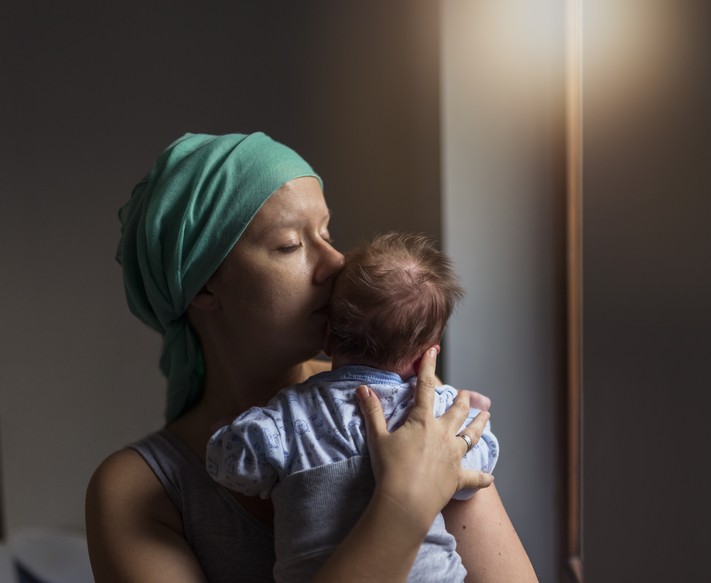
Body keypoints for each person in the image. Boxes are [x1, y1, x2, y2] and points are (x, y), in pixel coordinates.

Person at [85, 132, 538, 582]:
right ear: (203, 285)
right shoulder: (136, 492)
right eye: (290, 245)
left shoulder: (404, 400)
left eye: (327, 233)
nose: (336, 263)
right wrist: (405, 506)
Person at [206, 231, 498, 582]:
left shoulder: (288, 415)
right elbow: (473, 473)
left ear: (327, 339)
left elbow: (231, 465)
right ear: (425, 358)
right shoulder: (435, 414)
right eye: (289, 243)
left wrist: (232, 428)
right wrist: (468, 411)